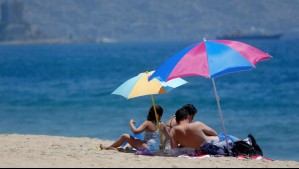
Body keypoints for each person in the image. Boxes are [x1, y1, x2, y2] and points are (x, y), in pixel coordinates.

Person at [100, 105, 167, 152]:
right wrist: (163, 145)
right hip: (156, 148)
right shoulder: (162, 124)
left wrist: (131, 123)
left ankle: (108, 147)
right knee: (133, 141)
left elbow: (136, 131)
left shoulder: (147, 123)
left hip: (147, 148)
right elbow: (168, 136)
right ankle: (123, 149)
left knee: (125, 136)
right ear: (160, 115)